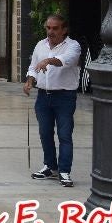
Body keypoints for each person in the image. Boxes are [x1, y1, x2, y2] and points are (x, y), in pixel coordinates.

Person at [24, 14, 82, 188]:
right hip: (43, 96)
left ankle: (64, 171)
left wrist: (48, 60)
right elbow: (33, 67)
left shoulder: (73, 46)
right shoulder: (40, 45)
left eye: (55, 28)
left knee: (64, 135)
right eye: (48, 28)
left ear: (64, 30)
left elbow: (65, 61)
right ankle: (50, 166)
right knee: (45, 133)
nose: (50, 31)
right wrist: (29, 81)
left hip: (64, 96)